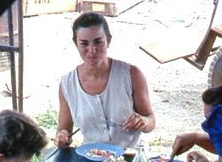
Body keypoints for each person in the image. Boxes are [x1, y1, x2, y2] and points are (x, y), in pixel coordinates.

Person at [54, 11, 155, 149]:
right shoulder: (68, 83)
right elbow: (64, 129)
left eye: (98, 42)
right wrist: (62, 137)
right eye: (84, 44)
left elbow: (150, 119)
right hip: (91, 157)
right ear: (75, 43)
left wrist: (144, 121)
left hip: (130, 154)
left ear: (108, 40)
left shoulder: (131, 74)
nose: (92, 50)